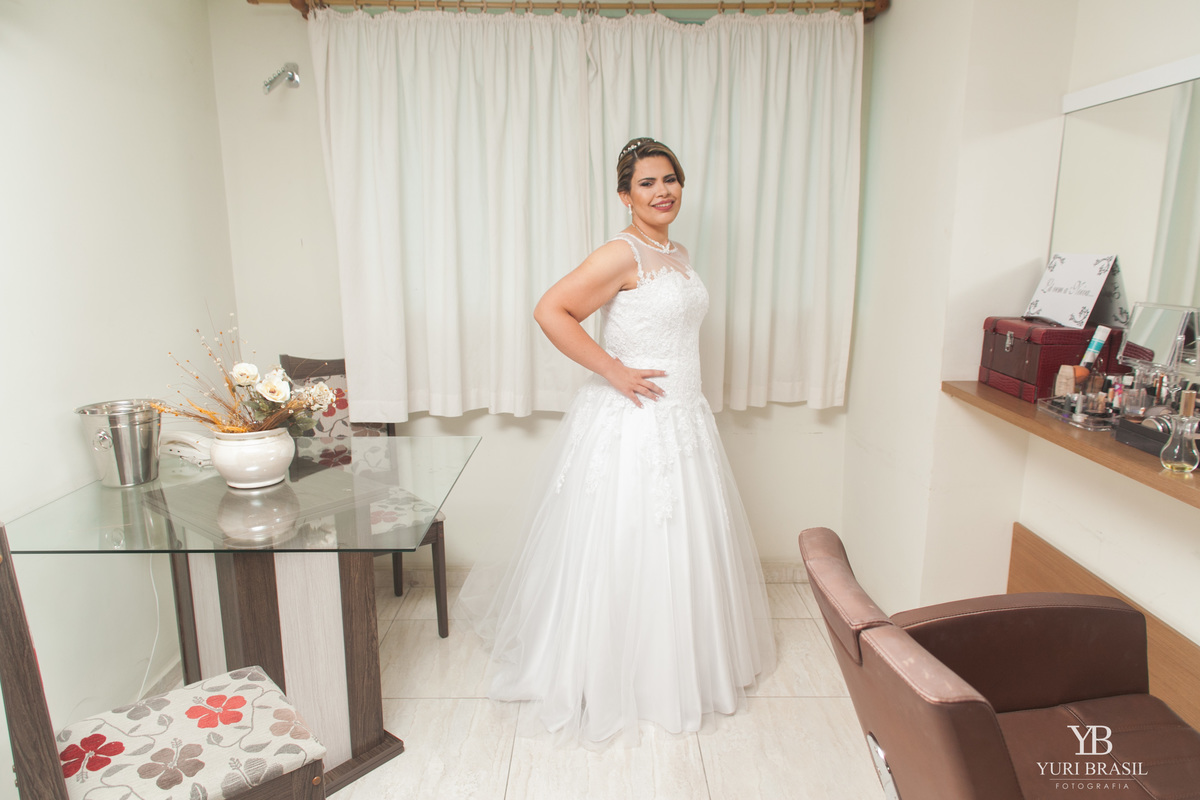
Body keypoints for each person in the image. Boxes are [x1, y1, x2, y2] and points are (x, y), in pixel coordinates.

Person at [459, 137, 775, 746]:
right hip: (636, 421)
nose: (662, 192)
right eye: (647, 183)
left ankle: (675, 669)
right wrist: (612, 369)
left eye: (670, 179)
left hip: (683, 419)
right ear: (625, 195)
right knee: (629, 540)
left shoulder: (677, 252)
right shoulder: (620, 253)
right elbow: (551, 310)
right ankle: (611, 674)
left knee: (679, 546)